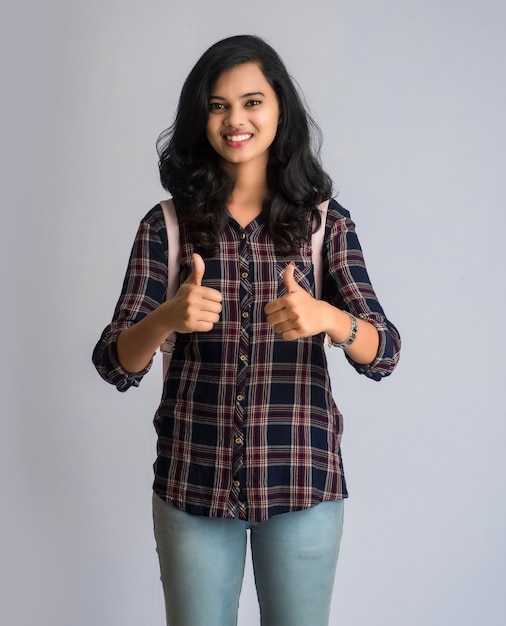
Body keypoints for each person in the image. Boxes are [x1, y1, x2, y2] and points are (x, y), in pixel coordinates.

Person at [92, 34, 401, 626]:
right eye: (218, 105)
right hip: (192, 486)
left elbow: (383, 351)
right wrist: (166, 319)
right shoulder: (167, 225)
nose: (235, 119)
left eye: (252, 101)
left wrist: (328, 318)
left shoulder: (323, 224)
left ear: (279, 109)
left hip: (303, 486)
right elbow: (114, 362)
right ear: (200, 117)